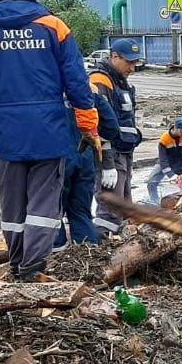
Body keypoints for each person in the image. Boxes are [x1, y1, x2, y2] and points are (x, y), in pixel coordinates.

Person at [0, 0, 99, 281]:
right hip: (50, 130)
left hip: (9, 132)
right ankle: (32, 268)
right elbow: (77, 82)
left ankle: (16, 261)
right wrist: (88, 125)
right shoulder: (54, 26)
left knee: (12, 201)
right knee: (43, 202)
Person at [90, 38, 143, 237]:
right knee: (110, 209)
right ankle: (103, 251)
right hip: (110, 154)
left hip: (124, 152)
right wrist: (107, 164)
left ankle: (125, 248)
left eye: (135, 63)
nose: (133, 68)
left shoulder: (119, 81)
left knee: (125, 205)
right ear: (114, 57)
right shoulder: (100, 81)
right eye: (129, 62)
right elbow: (99, 125)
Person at [55, 90, 119, 249]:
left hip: (57, 158)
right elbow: (111, 126)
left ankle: (55, 260)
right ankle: (88, 256)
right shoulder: (88, 89)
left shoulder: (48, 87)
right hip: (84, 157)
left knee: (53, 213)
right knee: (81, 212)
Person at [146, 117, 182, 204]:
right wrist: (171, 175)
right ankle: (154, 202)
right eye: (181, 131)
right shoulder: (164, 139)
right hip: (166, 162)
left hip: (181, 162)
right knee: (151, 182)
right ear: (175, 128)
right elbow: (163, 159)